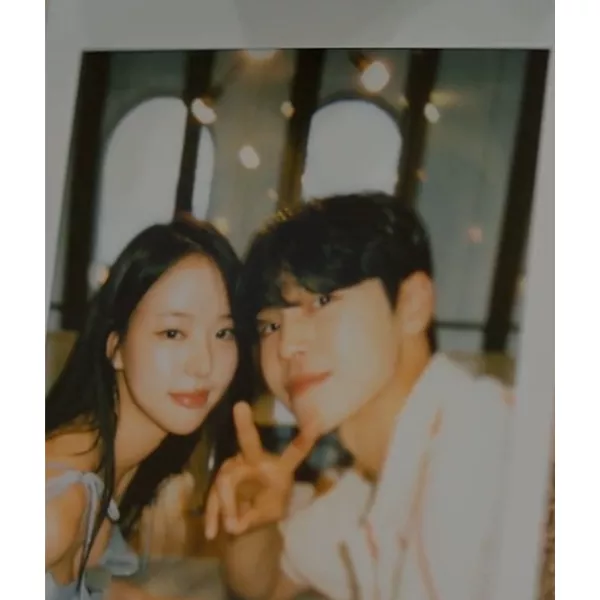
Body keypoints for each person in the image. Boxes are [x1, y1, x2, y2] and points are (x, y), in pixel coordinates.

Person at [206, 193, 514, 600]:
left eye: (322, 301)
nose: (287, 346)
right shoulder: (371, 482)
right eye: (269, 326)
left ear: (412, 305)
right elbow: (268, 585)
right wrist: (253, 515)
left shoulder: (477, 443)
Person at [46, 215, 250, 600]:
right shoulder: (56, 507)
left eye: (223, 333)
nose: (203, 364)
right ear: (115, 347)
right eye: (173, 333)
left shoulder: (115, 467)